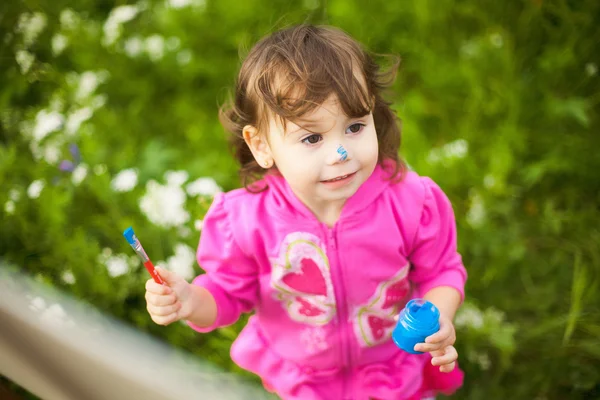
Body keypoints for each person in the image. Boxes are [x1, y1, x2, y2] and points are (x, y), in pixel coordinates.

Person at [144, 24, 467, 400]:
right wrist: (191, 301)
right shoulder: (247, 221)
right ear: (262, 145)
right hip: (304, 382)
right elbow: (227, 293)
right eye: (312, 137)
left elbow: (441, 270)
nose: (340, 154)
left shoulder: (411, 202)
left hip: (394, 370)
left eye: (355, 126)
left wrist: (439, 313)